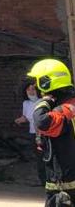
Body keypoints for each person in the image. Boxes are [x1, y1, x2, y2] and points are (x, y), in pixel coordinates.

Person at [28, 59, 75, 206]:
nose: (35, 86)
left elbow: (42, 122)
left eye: (37, 81)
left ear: (47, 82)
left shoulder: (65, 110)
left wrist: (45, 101)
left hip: (65, 187)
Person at [16, 78, 48, 186]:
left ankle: (50, 180)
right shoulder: (26, 103)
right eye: (28, 90)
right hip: (33, 134)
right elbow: (26, 117)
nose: (31, 91)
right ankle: (43, 181)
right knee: (39, 158)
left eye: (33, 89)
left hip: (44, 134)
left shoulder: (43, 102)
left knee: (46, 157)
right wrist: (20, 120)